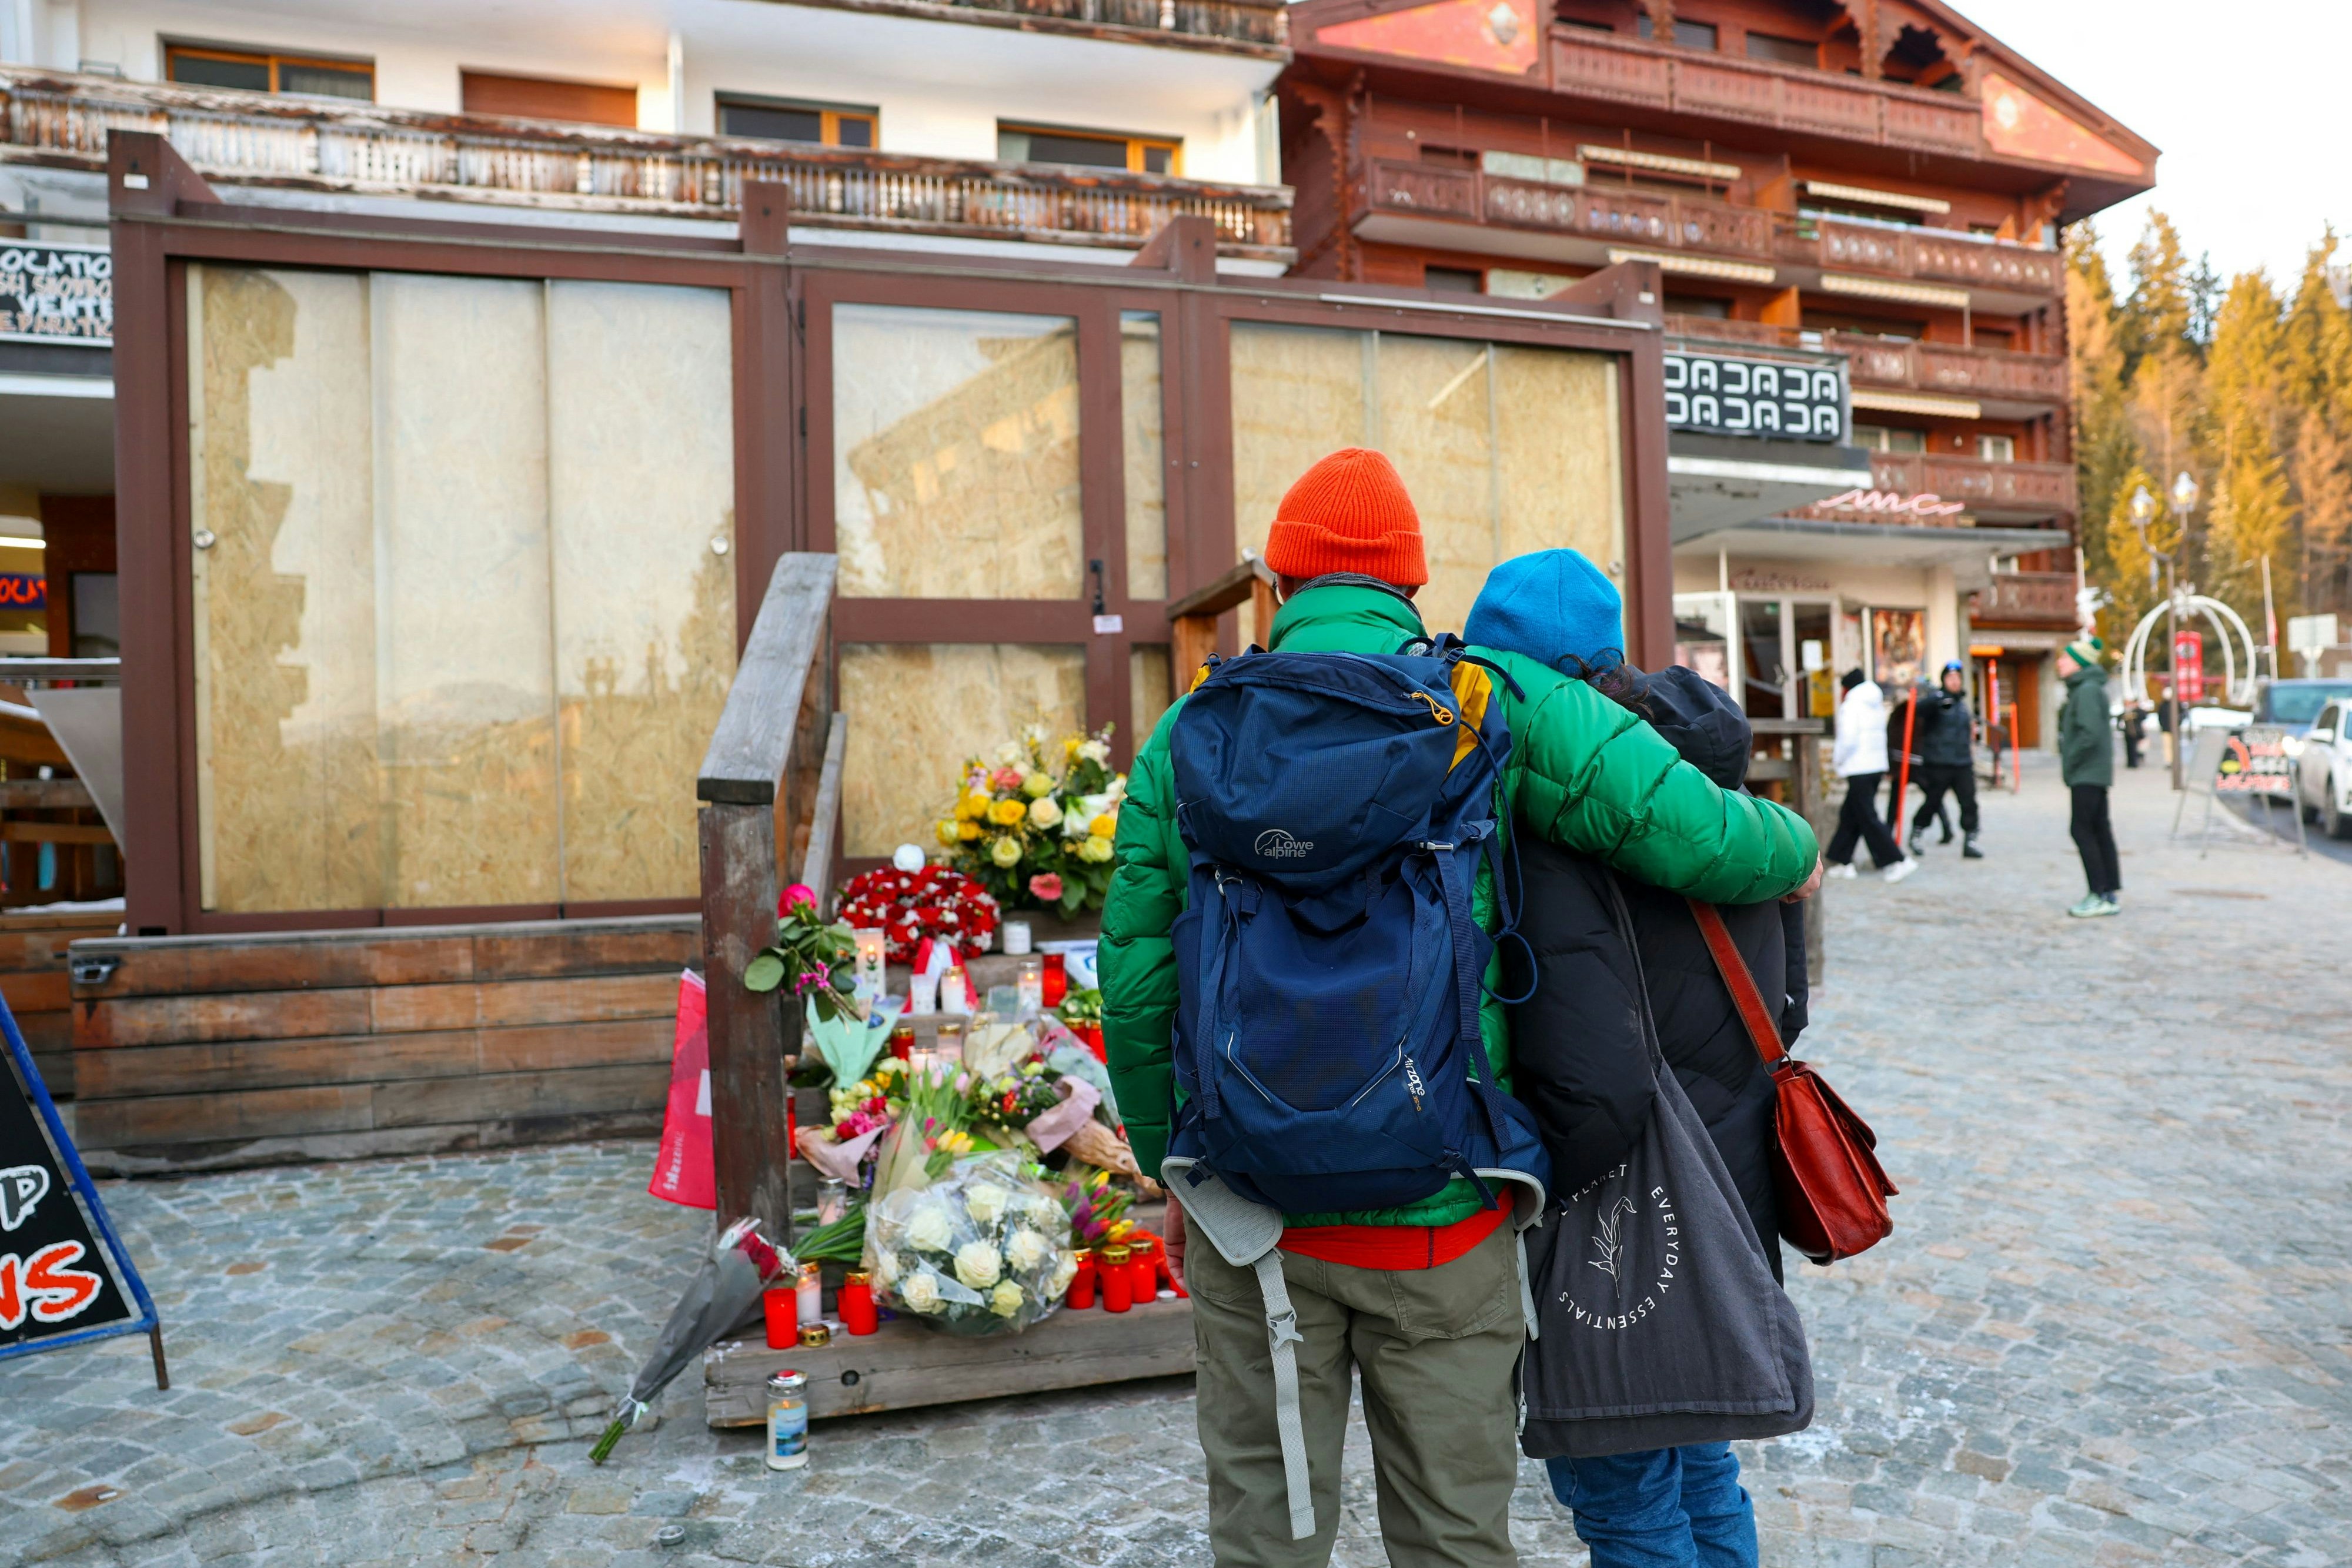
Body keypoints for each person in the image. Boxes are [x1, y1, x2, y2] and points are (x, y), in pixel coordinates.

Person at [1100, 450, 1822, 1568]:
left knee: (1263, 1534)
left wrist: (1173, 1168)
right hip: (1445, 1211)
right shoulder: (1490, 697)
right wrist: (1799, 853)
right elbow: (1701, 831)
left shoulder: (1188, 732)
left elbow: (1137, 973)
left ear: (1280, 582)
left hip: (1254, 1223)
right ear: (1409, 581)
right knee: (1453, 1538)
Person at [1472, 551, 1802, 1568]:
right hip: (1726, 1185)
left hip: (1629, 1213)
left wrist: (1535, 1188)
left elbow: (1595, 1077)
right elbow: (1783, 1003)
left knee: (1623, 1496)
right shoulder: (1711, 791)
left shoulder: (1561, 819)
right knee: (1700, 1467)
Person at [1823, 669, 1915, 884]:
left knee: (1867, 817)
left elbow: (1848, 740)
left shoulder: (1852, 706)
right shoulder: (1874, 704)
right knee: (1851, 814)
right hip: (1874, 765)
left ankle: (1897, 860)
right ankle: (1842, 860)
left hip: (1859, 767)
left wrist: (1838, 762)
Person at [2058, 638, 2120, 918]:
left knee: (2082, 830)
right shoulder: (2088, 688)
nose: (2060, 662)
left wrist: (2070, 760)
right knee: (2099, 829)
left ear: (2079, 663)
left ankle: (2098, 892)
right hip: (2093, 772)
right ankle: (2107, 891)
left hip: (2087, 773)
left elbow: (2089, 735)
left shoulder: (2086, 691)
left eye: (2065, 658)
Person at [1907, 661, 1983, 859]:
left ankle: (1970, 841)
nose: (1955, 682)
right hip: (1939, 763)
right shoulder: (1936, 701)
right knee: (1933, 802)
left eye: (1958, 678)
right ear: (1944, 681)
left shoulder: (1962, 706)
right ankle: (1917, 832)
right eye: (1951, 678)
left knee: (1969, 803)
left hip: (1962, 763)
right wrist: (1935, 699)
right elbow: (1918, 711)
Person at [2120, 700, 2147, 770]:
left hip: (2136, 732)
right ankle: (2130, 762)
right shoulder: (2126, 713)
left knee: (2136, 748)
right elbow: (2120, 720)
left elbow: (2143, 716)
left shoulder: (2137, 712)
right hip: (2128, 732)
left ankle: (2136, 762)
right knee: (2129, 748)